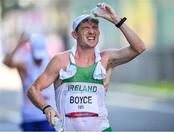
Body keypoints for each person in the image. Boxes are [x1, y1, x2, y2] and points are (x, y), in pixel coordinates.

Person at [27, 3, 145, 131]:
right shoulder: (61, 60)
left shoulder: (106, 59)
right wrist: (46, 108)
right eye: (85, 28)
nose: (92, 31)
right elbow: (33, 89)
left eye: (95, 27)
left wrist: (116, 20)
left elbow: (139, 47)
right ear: (75, 35)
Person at [3, 33, 56, 131]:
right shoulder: (25, 65)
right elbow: (7, 62)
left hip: (47, 116)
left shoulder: (50, 62)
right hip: (29, 116)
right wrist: (19, 44)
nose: (39, 60)